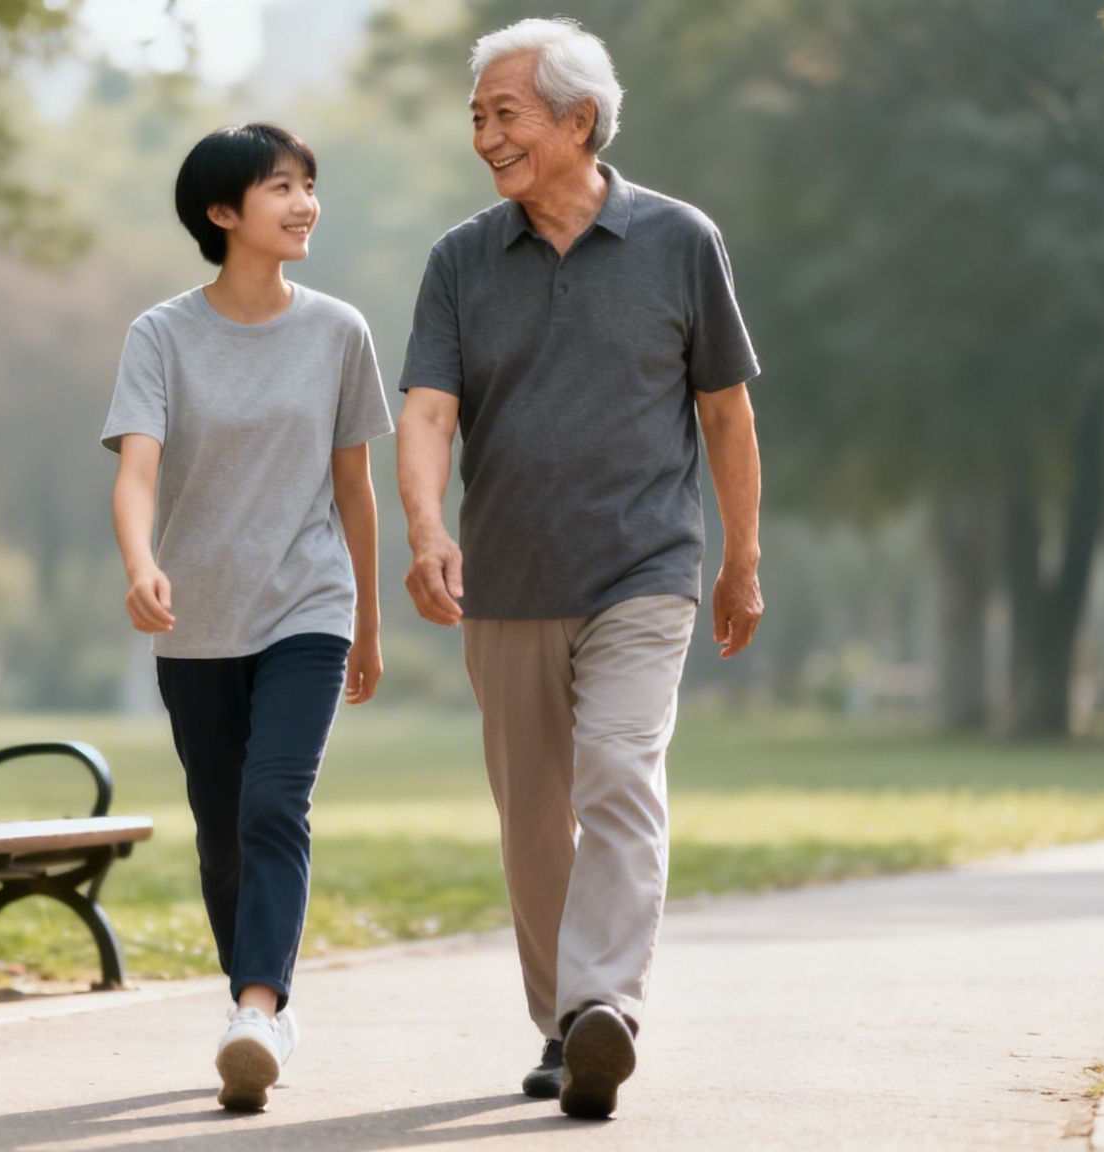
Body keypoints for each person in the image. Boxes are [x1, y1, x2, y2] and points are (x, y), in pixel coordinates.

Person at [396, 17, 765, 1120]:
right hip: (505, 579)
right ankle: (563, 1024)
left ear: (577, 120)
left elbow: (724, 410)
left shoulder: (677, 240)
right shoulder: (459, 260)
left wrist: (740, 558)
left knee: (616, 768)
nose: (485, 138)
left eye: (503, 115)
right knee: (531, 814)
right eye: (476, 118)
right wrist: (423, 529)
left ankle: (604, 1004)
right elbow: (423, 412)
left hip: (644, 569)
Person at [102, 122, 393, 1113]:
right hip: (195, 622)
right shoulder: (161, 335)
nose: (305, 203)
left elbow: (354, 488)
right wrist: (141, 564)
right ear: (222, 212)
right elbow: (136, 470)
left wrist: (366, 616)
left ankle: (258, 1009)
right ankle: (255, 1008)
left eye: (309, 185)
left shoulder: (338, 331)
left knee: (275, 803)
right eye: (281, 187)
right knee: (222, 832)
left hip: (306, 606)